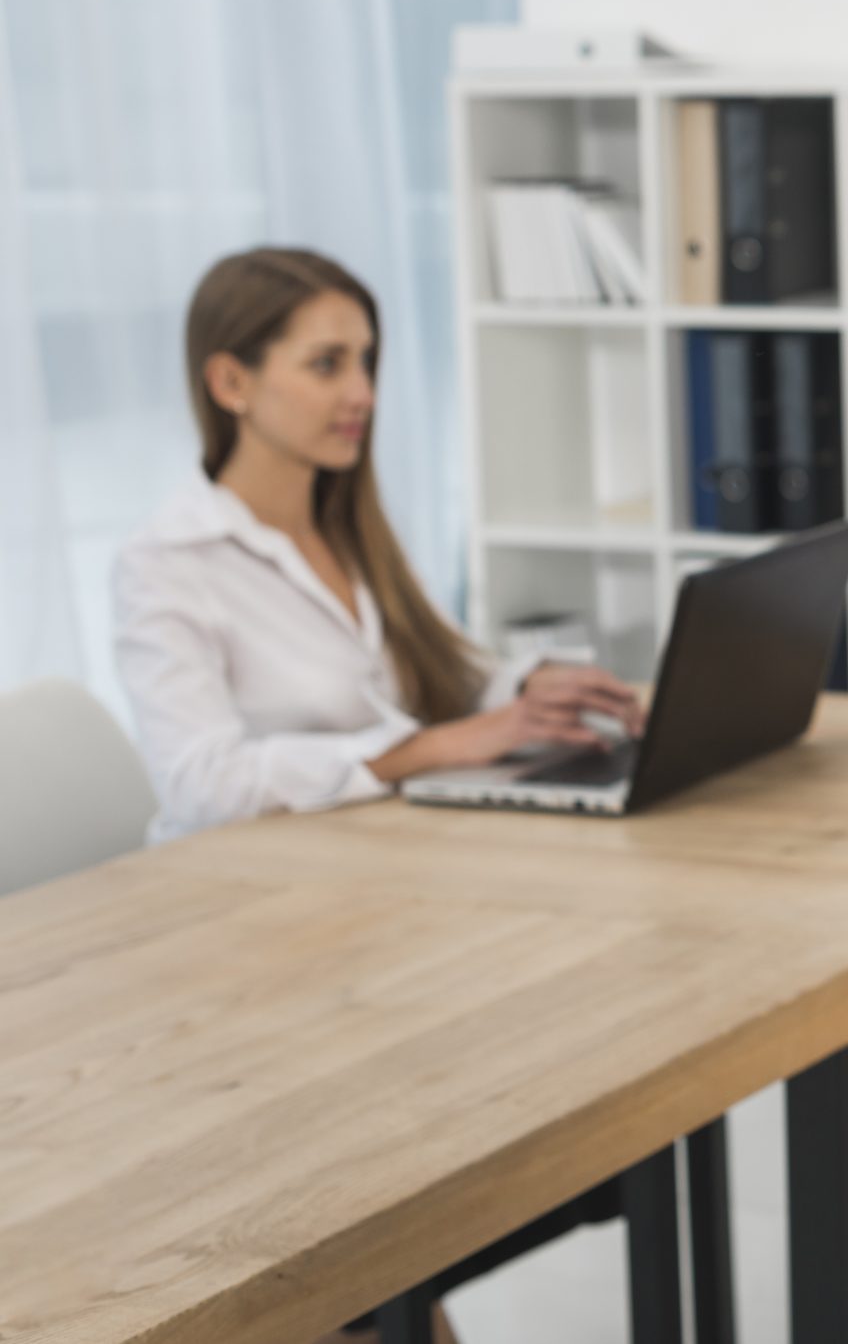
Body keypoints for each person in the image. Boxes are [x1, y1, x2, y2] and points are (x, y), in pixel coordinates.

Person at [113, 247, 646, 1341]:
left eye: (367, 359)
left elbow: (432, 676)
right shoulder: (167, 562)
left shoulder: (348, 525)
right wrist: (426, 747)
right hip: (236, 954)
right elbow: (201, 780)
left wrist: (524, 689)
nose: (360, 390)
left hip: (366, 918)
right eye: (326, 362)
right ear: (231, 382)